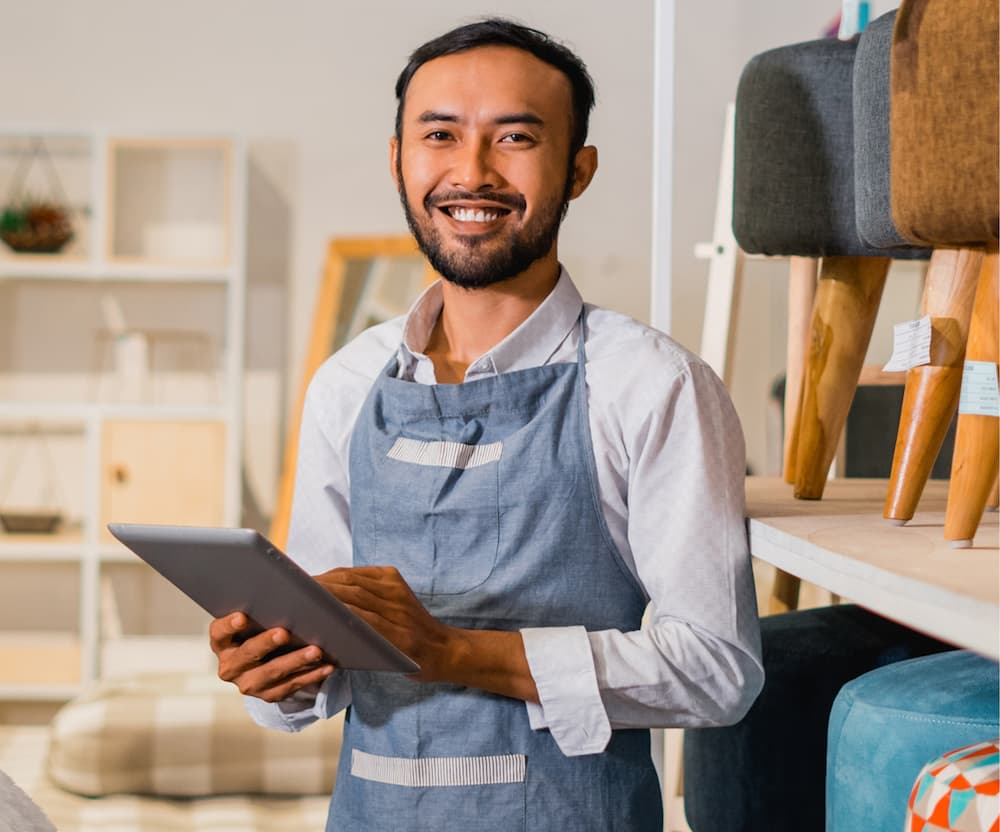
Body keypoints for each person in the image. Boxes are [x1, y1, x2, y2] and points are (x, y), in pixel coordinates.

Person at [209, 17, 763, 831]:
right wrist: (274, 668)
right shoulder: (349, 384)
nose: (471, 172)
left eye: (514, 138)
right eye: (439, 135)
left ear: (578, 171)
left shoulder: (653, 384)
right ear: (398, 160)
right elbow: (315, 678)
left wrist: (456, 651)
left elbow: (718, 671)